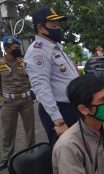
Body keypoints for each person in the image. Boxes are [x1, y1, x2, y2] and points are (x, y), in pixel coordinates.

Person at [24, 6, 79, 145]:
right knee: (66, 154)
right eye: (54, 25)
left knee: (78, 150)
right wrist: (59, 121)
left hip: (71, 107)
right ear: (41, 28)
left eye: (59, 25)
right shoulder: (38, 51)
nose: (58, 28)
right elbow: (41, 88)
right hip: (59, 110)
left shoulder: (55, 47)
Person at [0, 36, 35, 170]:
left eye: (18, 47)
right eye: (15, 48)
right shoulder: (1, 64)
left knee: (30, 129)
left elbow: (32, 78)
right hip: (9, 102)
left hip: (26, 100)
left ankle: (30, 154)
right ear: (6, 49)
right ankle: (6, 158)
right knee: (7, 131)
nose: (18, 50)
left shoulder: (24, 62)